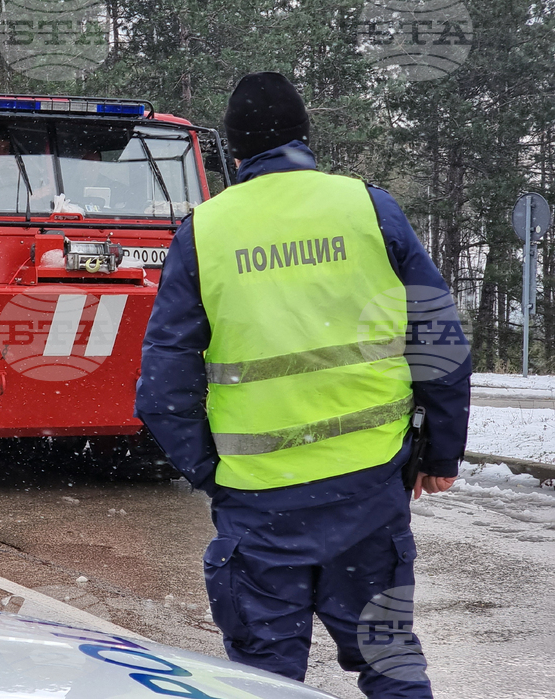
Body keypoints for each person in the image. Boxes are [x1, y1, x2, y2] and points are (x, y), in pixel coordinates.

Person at [135, 72, 470, 699]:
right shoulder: (370, 208)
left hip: (260, 504)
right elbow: (440, 337)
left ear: (234, 153)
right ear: (305, 138)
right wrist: (442, 450)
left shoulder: (205, 231)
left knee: (263, 679)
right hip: (369, 486)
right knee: (390, 660)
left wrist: (212, 471)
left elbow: (163, 383)